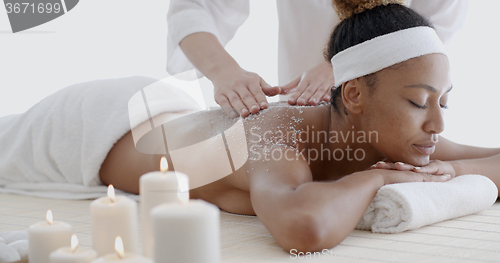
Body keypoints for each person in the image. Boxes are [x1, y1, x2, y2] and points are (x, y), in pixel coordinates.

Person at [99, 0, 500, 253]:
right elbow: (303, 228)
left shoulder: (393, 134)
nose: (438, 122)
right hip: (102, 125)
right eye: (418, 101)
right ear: (355, 96)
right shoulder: (279, 138)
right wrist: (378, 181)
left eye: (444, 100)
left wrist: (456, 171)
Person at [166, 0, 469, 118]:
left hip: (399, 120)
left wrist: (350, 61)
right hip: (308, 117)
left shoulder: (422, 140)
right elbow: (195, 8)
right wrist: (224, 71)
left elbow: (431, 29)